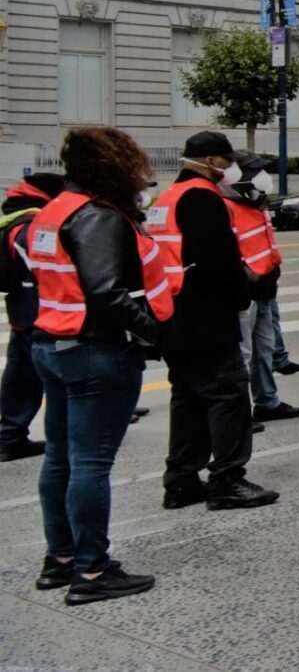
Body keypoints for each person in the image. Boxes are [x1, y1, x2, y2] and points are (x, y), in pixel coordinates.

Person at [27, 128, 169, 603]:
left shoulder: (53, 210)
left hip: (51, 344)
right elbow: (105, 291)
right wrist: (157, 332)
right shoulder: (98, 216)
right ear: (114, 165)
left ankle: (61, 559)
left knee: (60, 457)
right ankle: (91, 572)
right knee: (90, 462)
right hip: (94, 350)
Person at [149, 131, 279, 511]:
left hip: (173, 312)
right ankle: (227, 479)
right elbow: (220, 261)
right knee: (228, 394)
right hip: (206, 314)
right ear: (213, 162)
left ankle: (181, 481)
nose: (230, 167)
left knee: (188, 399)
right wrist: (242, 297)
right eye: (227, 160)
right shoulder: (203, 199)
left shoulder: (167, 199)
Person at [223, 151, 299, 425]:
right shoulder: (227, 207)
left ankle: (267, 402)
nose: (262, 177)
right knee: (243, 356)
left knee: (264, 351)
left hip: (266, 289)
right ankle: (238, 412)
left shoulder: (258, 205)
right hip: (246, 295)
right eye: (254, 171)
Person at [0, 173, 66, 461]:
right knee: (52, 375)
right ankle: (13, 435)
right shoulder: (31, 224)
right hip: (40, 312)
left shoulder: (12, 218)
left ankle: (10, 436)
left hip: (22, 311)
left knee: (20, 376)